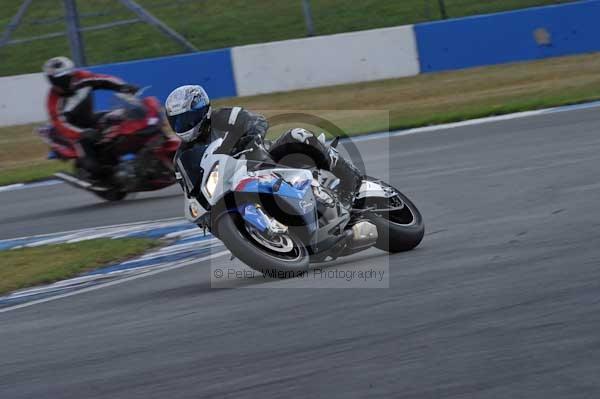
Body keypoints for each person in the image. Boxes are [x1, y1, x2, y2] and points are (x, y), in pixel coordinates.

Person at [165, 84, 361, 207]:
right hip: (233, 187)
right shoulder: (182, 157)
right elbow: (191, 193)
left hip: (264, 158)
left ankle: (348, 179)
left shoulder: (222, 117)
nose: (184, 125)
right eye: (179, 121)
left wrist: (247, 139)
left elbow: (256, 121)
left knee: (299, 135)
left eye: (188, 119)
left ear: (203, 111)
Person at [43, 56, 139, 175]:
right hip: (76, 134)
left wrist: (122, 86)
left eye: (70, 75)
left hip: (91, 119)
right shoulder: (54, 102)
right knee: (92, 165)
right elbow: (60, 125)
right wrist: (82, 133)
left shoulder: (81, 77)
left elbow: (104, 80)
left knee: (126, 119)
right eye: (62, 78)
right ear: (53, 81)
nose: (70, 79)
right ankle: (106, 178)